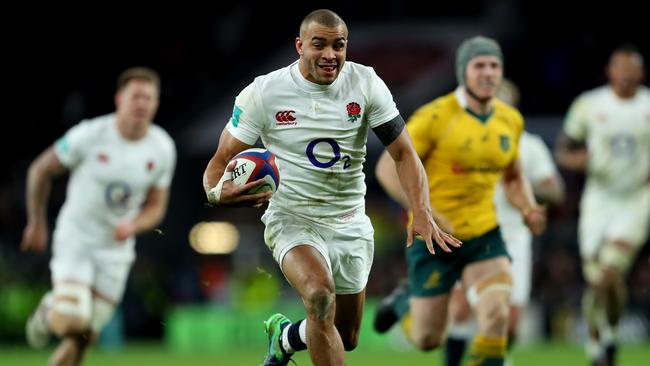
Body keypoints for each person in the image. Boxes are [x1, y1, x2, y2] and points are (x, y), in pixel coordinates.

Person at [202, 9, 460, 366]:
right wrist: (217, 194)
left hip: (350, 221)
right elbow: (220, 160)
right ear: (299, 46)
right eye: (319, 45)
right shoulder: (264, 92)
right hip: (292, 218)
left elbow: (404, 154)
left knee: (346, 334)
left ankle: (286, 337)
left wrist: (421, 209)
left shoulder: (365, 83)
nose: (330, 55)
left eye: (338, 46)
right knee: (320, 296)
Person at [372, 36, 546, 366]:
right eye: (479, 65)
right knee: (427, 339)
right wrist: (424, 212)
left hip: (484, 233)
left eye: (494, 66)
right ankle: (405, 301)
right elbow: (386, 169)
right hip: (436, 235)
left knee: (498, 315)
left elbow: (512, 175)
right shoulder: (435, 117)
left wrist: (528, 207)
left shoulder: (509, 120)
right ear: (463, 71)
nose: (488, 73)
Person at [21, 67, 176, 366]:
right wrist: (36, 222)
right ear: (120, 99)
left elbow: (157, 206)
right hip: (77, 239)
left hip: (115, 252)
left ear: (156, 103)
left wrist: (134, 225)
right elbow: (39, 169)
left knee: (84, 339)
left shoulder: (162, 148)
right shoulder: (90, 134)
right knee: (71, 323)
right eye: (136, 96)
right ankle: (49, 309)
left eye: (149, 97)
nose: (142, 103)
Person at [444, 79, 566, 366]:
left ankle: (500, 358)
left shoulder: (530, 146)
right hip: (471, 233)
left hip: (514, 238)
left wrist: (524, 191)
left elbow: (556, 190)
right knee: (461, 308)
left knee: (511, 322)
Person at [554, 44, 650, 366]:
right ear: (609, 72)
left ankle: (607, 342)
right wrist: (579, 160)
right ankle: (604, 343)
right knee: (597, 282)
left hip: (636, 199)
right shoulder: (589, 105)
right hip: (598, 199)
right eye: (619, 67)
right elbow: (563, 149)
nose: (625, 74)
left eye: (631, 68)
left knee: (610, 272)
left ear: (641, 73)